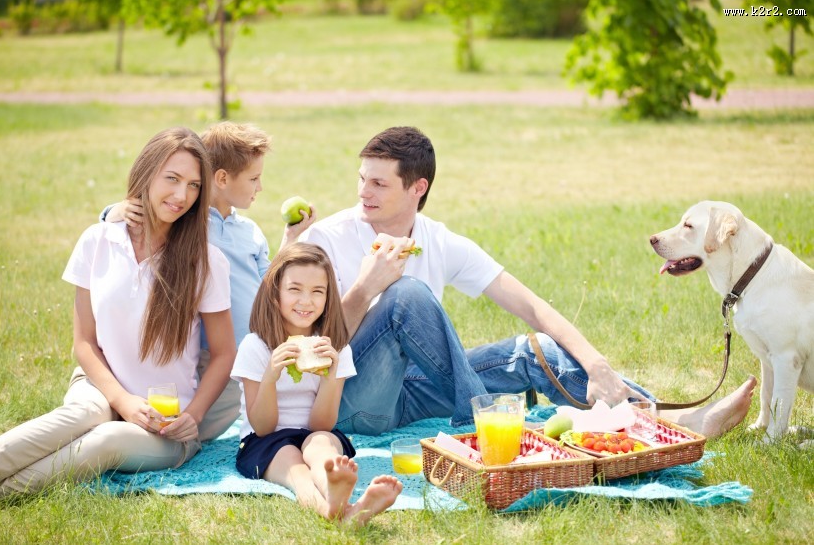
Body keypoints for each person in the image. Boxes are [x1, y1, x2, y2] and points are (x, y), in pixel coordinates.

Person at [301, 126, 756, 438]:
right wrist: (364, 290)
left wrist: (596, 366)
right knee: (405, 297)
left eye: (379, 184)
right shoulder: (327, 239)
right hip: (350, 401)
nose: (363, 193)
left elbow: (532, 306)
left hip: (415, 389)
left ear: (417, 189)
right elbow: (303, 347)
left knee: (537, 348)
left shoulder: (437, 240)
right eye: (362, 179)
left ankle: (668, 424)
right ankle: (487, 422)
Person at [0, 127, 236, 496]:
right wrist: (121, 400)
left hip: (165, 422)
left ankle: (2, 493)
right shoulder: (97, 240)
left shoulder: (206, 262)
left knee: (105, 440)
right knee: (81, 416)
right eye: (172, 179)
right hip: (99, 386)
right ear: (146, 173)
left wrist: (195, 417)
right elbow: (85, 342)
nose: (181, 195)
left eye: (193, 185)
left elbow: (223, 354)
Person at [102, 122, 315, 442]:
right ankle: (124, 427)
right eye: (254, 179)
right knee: (174, 430)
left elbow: (267, 286)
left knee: (220, 423)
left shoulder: (250, 232)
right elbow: (128, 222)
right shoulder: (188, 225)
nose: (260, 188)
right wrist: (115, 210)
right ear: (222, 179)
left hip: (249, 356)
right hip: (204, 358)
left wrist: (291, 238)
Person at [231, 243, 402, 525]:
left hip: (314, 431)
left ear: (328, 298)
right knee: (294, 467)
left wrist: (331, 377)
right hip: (265, 439)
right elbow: (262, 427)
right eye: (294, 289)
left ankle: (335, 492)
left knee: (320, 447)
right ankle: (340, 510)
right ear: (275, 293)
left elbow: (321, 424)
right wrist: (270, 377)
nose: (306, 301)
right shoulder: (256, 346)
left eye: (317, 292)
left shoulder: (335, 349)